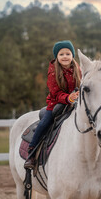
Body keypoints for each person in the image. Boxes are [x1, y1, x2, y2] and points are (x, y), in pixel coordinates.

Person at [24, 40, 81, 169]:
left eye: (68, 53)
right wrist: (68, 98)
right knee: (44, 123)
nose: (65, 56)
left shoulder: (77, 69)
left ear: (72, 55)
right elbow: (55, 92)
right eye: (61, 54)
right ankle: (31, 152)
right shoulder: (53, 72)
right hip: (56, 102)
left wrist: (78, 95)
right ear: (57, 57)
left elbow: (81, 84)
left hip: (74, 102)